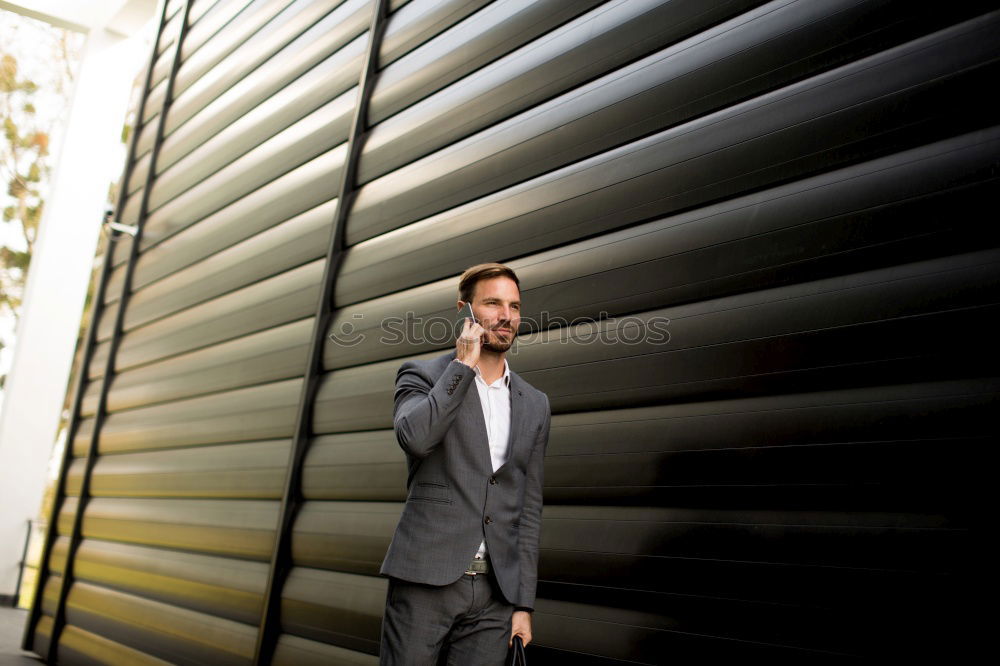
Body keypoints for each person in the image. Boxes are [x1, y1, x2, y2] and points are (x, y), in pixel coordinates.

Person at [379, 262, 551, 665]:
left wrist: (523, 603)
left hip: (496, 594)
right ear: (466, 310)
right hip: (426, 578)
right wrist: (462, 367)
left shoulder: (535, 403)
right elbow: (416, 439)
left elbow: (529, 508)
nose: (505, 316)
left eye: (514, 306)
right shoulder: (422, 375)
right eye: (492, 303)